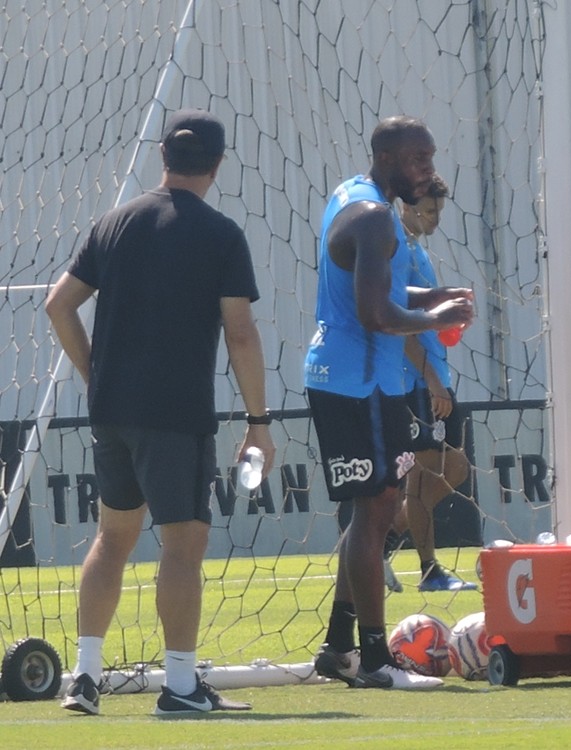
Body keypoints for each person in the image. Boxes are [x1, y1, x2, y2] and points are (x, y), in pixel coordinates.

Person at [45, 109, 275, 715]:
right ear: (218, 165)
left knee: (112, 538)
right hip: (175, 413)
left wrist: (98, 376)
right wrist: (259, 421)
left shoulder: (114, 222)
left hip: (112, 412)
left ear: (163, 157)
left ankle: (85, 679)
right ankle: (178, 687)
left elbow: (57, 306)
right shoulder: (221, 233)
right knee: (182, 547)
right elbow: (241, 333)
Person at [306, 116, 474, 689]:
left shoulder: (354, 199)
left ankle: (338, 650)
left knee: (372, 512)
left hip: (360, 379)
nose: (429, 170)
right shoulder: (376, 216)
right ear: (386, 156)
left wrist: (438, 295)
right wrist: (438, 317)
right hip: (357, 381)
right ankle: (375, 660)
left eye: (430, 157)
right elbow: (376, 314)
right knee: (375, 511)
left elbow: (383, 289)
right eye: (418, 159)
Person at [393, 173, 476, 592]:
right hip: (416, 380)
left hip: (432, 374)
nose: (434, 218)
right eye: (428, 210)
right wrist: (429, 379)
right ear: (405, 206)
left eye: (439, 211)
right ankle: (426, 570)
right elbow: (401, 326)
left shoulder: (416, 250)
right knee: (428, 472)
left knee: (446, 470)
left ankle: (386, 540)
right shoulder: (397, 251)